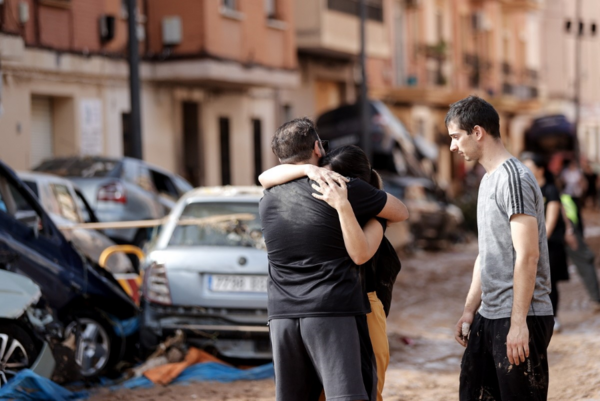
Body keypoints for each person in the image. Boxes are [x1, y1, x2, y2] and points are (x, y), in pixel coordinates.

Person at [259, 118, 409, 401]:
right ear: (317, 147)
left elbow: (264, 177)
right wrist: (375, 217)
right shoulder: (343, 186)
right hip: (332, 309)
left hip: (281, 315)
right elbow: (401, 211)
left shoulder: (268, 196)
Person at [448, 96, 554, 400]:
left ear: (477, 132)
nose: (453, 146)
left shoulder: (514, 178)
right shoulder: (488, 180)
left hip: (520, 317)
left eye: (456, 137)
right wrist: (470, 310)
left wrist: (519, 323)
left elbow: (528, 254)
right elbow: (488, 252)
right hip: (490, 314)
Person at [522, 154, 573, 332]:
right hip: (531, 242)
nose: (525, 170)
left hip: (549, 243)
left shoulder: (550, 190)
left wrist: (538, 243)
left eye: (529, 166)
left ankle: (554, 316)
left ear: (540, 169)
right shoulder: (526, 189)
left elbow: (550, 219)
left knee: (550, 281)